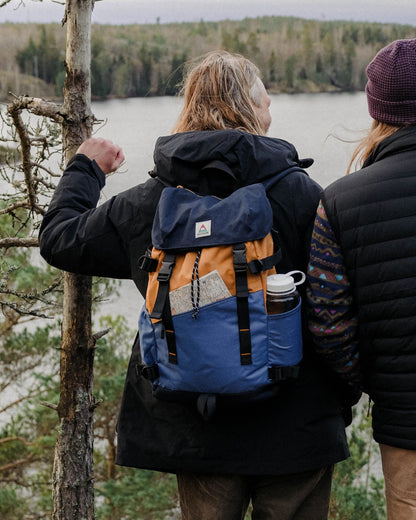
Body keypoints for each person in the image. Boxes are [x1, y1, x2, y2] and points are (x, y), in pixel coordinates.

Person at [39, 51, 354, 520]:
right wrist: (345, 394)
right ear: (253, 109)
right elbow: (337, 303)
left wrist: (86, 167)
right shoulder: (301, 195)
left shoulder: (152, 202)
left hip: (195, 425)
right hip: (297, 426)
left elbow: (60, 238)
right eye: (265, 99)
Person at [306, 38, 416, 520]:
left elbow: (329, 325)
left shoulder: (340, 201)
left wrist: (373, 381)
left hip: (405, 418)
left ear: (377, 109)